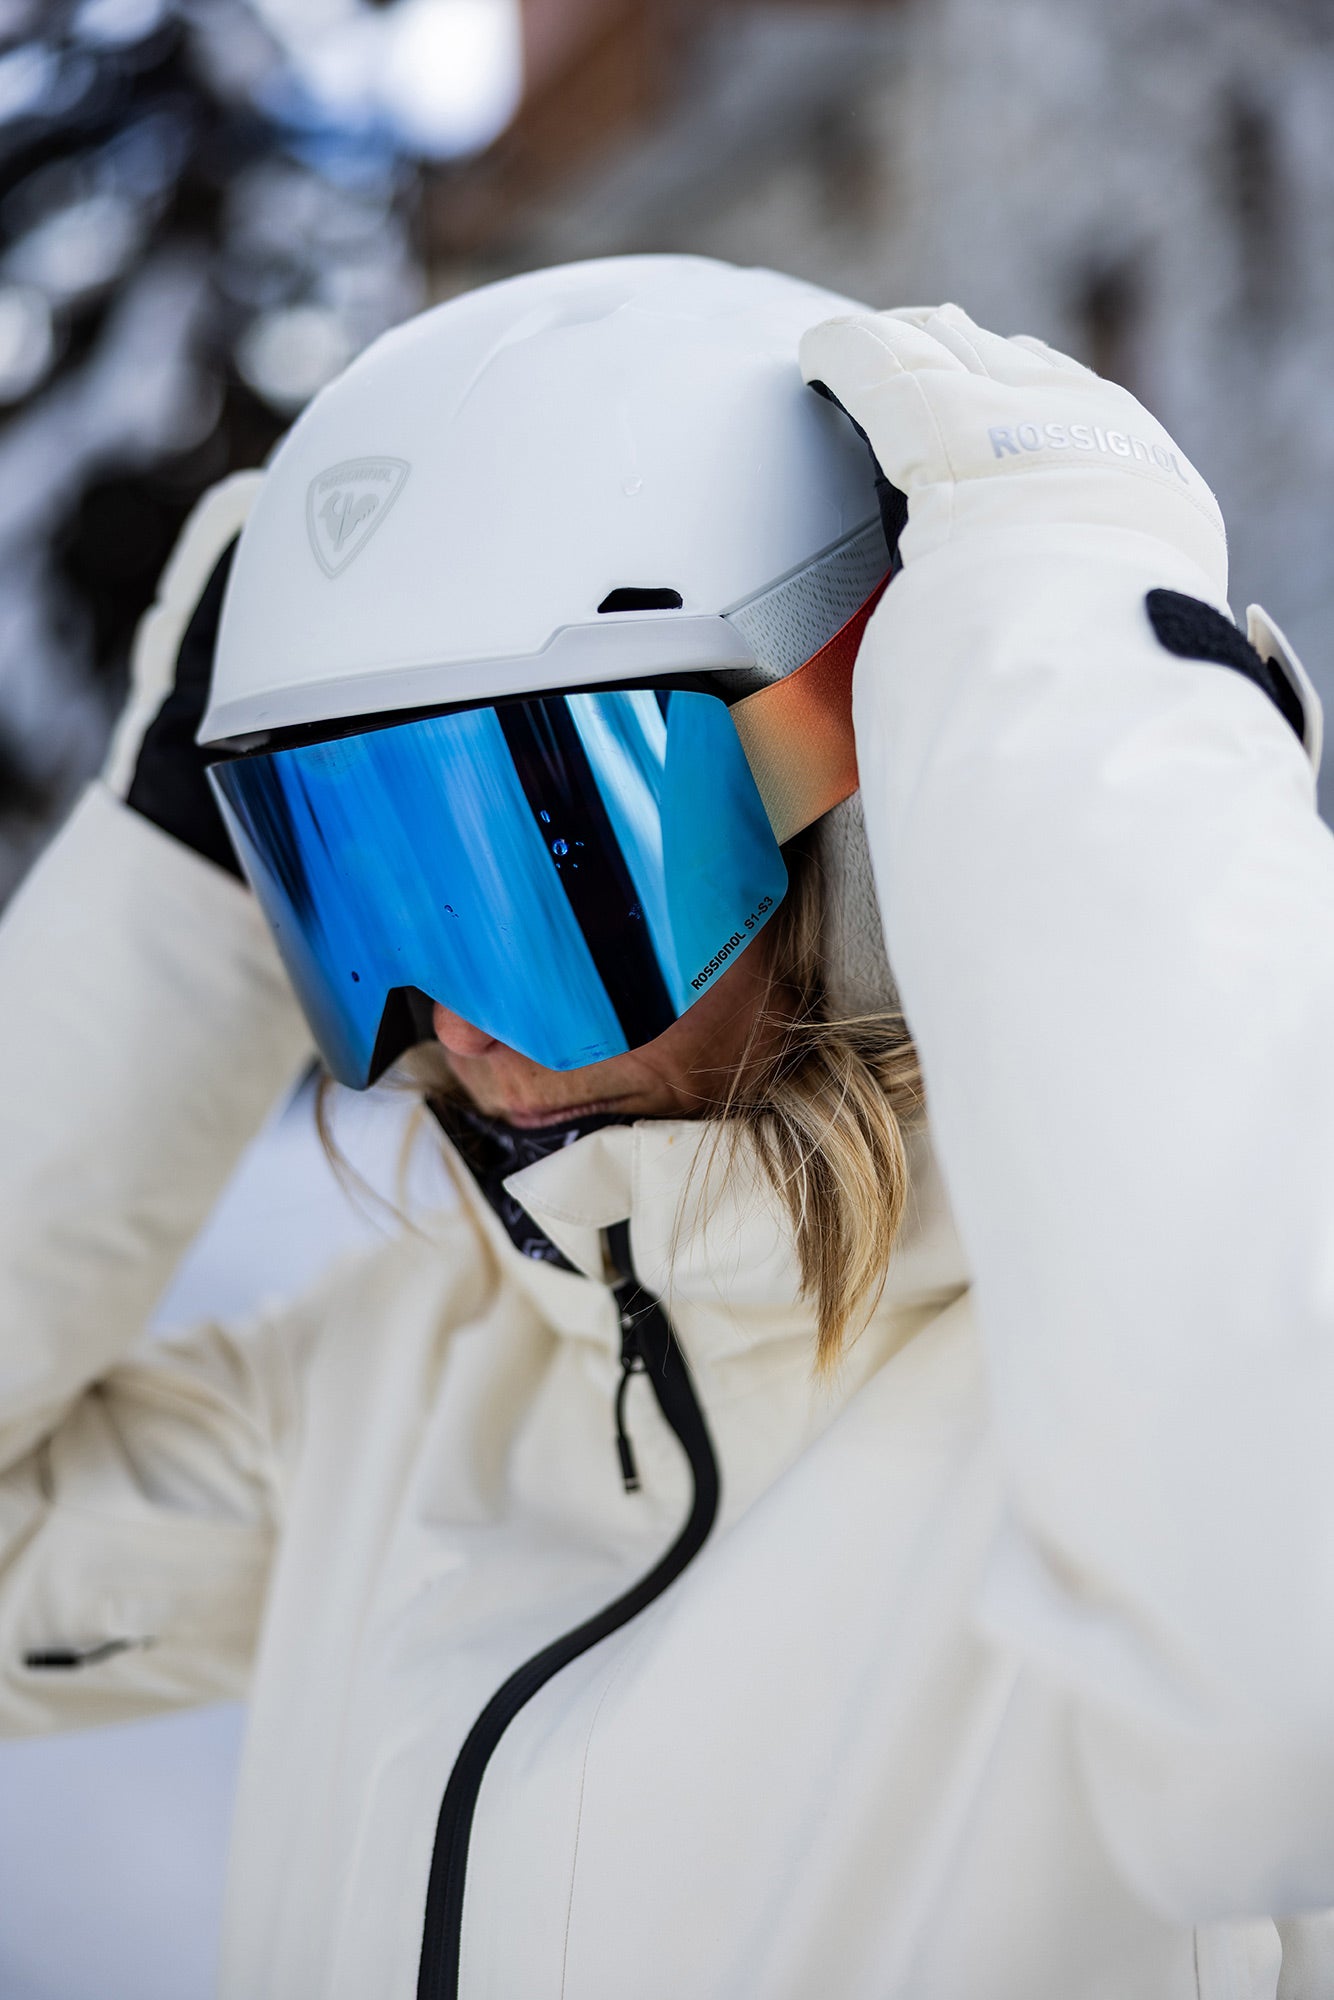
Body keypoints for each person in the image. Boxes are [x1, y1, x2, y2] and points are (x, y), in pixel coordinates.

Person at [1, 253, 1332, 2000]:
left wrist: (1071, 659)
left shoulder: (1113, 1416)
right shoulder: (393, 1389)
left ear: (848, 826)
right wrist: (170, 882)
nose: (454, 1030)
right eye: (365, 891)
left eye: (543, 876)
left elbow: (1280, 1710)